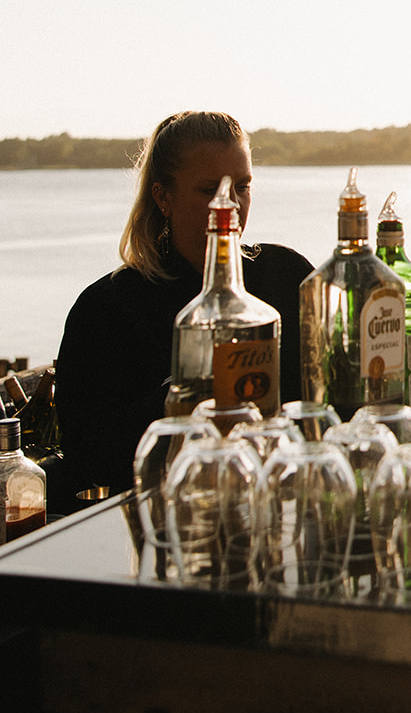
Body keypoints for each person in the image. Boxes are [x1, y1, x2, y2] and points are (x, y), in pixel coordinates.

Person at [54, 111, 313, 501]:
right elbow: (87, 455)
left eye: (243, 187)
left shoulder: (286, 274)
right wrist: (182, 397)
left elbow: (342, 386)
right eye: (209, 189)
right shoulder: (107, 308)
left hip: (283, 506)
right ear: (163, 197)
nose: (231, 204)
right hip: (170, 521)